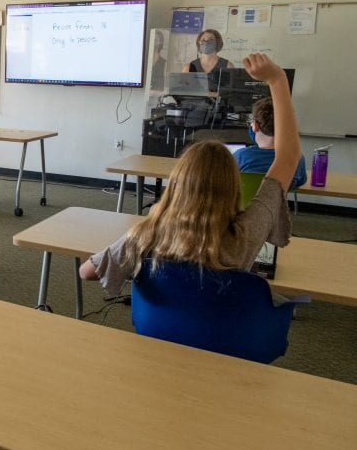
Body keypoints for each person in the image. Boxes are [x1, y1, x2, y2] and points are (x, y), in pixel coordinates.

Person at [79, 53, 299, 296]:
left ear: (177, 183)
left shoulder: (147, 234)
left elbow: (87, 272)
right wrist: (277, 80)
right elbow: (288, 157)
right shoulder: (245, 235)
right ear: (233, 185)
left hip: (157, 332)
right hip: (219, 330)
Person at [235, 96, 307, 190]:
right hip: (276, 204)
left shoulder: (240, 156)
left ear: (255, 126)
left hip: (244, 205)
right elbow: (299, 182)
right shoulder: (296, 158)